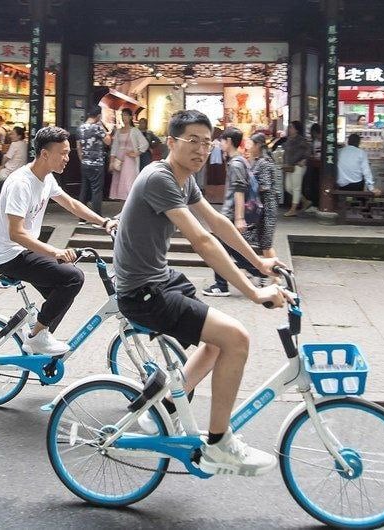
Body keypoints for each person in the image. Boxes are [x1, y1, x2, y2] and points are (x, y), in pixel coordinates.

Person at [114, 109, 290, 476]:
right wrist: (255, 293)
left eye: (206, 142)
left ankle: (163, 409)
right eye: (192, 140)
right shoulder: (159, 177)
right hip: (142, 291)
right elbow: (202, 240)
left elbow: (218, 222)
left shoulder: (184, 179)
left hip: (160, 279)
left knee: (216, 342)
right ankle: (218, 443)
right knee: (237, 339)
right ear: (171, 141)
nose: (200, 149)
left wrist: (259, 263)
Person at [0, 126, 117, 354]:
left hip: (28, 251)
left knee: (60, 294)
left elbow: (71, 204)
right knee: (72, 278)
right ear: (44, 154)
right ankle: (36, 338)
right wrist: (54, 251)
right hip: (13, 255)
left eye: (68, 152)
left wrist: (103, 222)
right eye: (63, 153)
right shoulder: (21, 183)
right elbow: (16, 233)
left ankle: (38, 338)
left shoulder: (46, 178)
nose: (68, 158)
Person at [203, 127, 265, 297]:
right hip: (229, 213)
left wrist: (239, 218)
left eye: (222, 141)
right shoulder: (240, 161)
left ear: (229, 141)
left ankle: (221, 285)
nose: (221, 144)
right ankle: (258, 271)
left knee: (219, 249)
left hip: (230, 214)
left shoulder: (236, 163)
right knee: (231, 248)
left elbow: (239, 191)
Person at [245, 132, 281, 262]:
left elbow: (265, 186)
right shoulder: (259, 161)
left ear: (258, 145)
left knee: (266, 244)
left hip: (266, 209)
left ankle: (279, 274)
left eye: (251, 145)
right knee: (263, 244)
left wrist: (248, 186)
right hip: (262, 208)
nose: (249, 148)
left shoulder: (264, 162)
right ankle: (273, 275)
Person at [76, 106, 112, 216]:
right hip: (97, 163)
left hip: (85, 163)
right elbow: (108, 142)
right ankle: (97, 216)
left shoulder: (80, 128)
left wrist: (82, 159)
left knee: (84, 189)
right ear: (98, 116)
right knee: (96, 190)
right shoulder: (97, 128)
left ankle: (82, 217)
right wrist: (105, 129)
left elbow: (78, 146)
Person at [109, 108, 148, 200]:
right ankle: (122, 208)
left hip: (130, 160)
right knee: (119, 182)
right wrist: (111, 161)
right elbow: (114, 147)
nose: (124, 117)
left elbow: (145, 144)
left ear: (130, 117)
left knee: (128, 181)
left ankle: (129, 205)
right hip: (119, 159)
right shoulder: (118, 131)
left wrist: (136, 153)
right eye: (122, 115)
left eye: (126, 115)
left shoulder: (134, 131)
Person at [282, 120, 310, 216]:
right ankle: (305, 201)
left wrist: (304, 160)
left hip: (298, 166)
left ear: (296, 130)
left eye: (291, 127)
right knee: (289, 187)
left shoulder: (301, 140)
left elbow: (308, 151)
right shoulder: (289, 139)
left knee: (296, 187)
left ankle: (293, 209)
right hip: (289, 166)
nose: (289, 129)